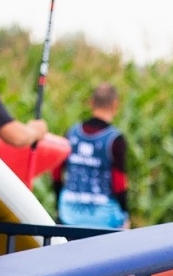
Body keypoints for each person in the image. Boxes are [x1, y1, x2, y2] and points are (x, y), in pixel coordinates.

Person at [54, 84, 129, 228]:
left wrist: (59, 205)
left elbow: (56, 172)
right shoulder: (115, 139)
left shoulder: (71, 133)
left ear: (91, 102)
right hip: (104, 219)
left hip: (68, 215)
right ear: (115, 105)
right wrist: (125, 214)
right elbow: (119, 181)